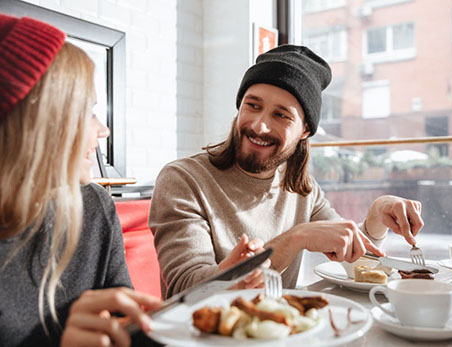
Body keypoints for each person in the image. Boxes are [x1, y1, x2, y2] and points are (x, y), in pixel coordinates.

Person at [149, 44, 424, 298]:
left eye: (281, 115)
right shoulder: (183, 180)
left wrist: (377, 214)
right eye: (252, 105)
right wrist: (294, 239)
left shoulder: (303, 190)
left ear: (305, 130)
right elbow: (185, 291)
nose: (259, 126)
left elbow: (353, 253)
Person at [0, 14, 162, 346]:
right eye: (87, 111)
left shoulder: (95, 206)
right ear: (39, 122)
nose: (103, 130)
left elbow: (129, 328)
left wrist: (215, 298)